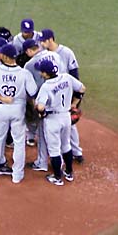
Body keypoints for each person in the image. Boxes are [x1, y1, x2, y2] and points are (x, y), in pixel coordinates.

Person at [0, 44, 38, 184]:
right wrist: (30, 106)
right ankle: (17, 175)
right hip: (18, 109)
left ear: (5, 56)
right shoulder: (24, 73)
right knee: (19, 142)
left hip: (2, 109)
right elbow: (33, 93)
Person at [35, 60, 86, 186]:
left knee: (54, 149)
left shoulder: (46, 86)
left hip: (53, 120)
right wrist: (74, 104)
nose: (40, 74)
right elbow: (82, 88)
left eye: (41, 72)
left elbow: (41, 107)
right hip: (66, 117)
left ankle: (57, 177)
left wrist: (41, 112)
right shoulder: (67, 77)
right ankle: (69, 172)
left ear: (46, 73)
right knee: (66, 145)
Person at [37, 29, 85, 164]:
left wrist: (75, 102)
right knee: (65, 127)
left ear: (51, 39)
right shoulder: (43, 54)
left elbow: (75, 75)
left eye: (43, 41)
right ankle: (65, 157)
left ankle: (77, 152)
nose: (41, 43)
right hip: (54, 94)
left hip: (67, 93)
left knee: (70, 126)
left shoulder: (66, 53)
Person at [23, 39, 64, 172]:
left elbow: (31, 90)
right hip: (62, 99)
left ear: (29, 51)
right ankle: (60, 161)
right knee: (60, 134)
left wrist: (33, 105)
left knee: (43, 132)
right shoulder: (55, 55)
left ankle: (42, 162)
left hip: (45, 102)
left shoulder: (29, 65)